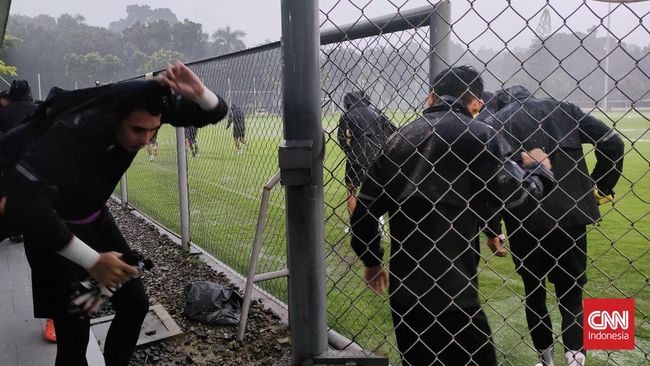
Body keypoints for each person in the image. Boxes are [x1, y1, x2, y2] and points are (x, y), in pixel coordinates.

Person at [0, 61, 228, 366]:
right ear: (114, 119)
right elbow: (32, 208)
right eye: (137, 130)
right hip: (54, 239)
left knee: (135, 304)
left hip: (95, 222)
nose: (146, 139)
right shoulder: (74, 134)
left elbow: (213, 113)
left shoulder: (145, 110)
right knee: (74, 332)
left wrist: (198, 92)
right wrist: (93, 261)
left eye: (153, 130)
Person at [350, 66, 555, 366]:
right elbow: (520, 198)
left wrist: (371, 260)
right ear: (476, 104)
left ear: (431, 98)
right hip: (456, 294)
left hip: (407, 293)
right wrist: (540, 170)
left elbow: (364, 213)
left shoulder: (398, 139)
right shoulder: (482, 136)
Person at [484, 85, 624, 366]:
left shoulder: (494, 123)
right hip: (569, 218)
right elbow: (613, 143)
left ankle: (545, 361)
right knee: (571, 293)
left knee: (534, 293)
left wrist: (492, 229)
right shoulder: (564, 109)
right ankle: (575, 359)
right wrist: (601, 185)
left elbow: (490, 181)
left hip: (523, 220)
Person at [337, 91, 396, 219]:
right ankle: (378, 223)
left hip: (356, 157)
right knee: (377, 192)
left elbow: (341, 138)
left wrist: (350, 151)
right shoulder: (377, 113)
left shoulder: (347, 114)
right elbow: (393, 131)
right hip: (377, 156)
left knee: (352, 191)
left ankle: (355, 226)